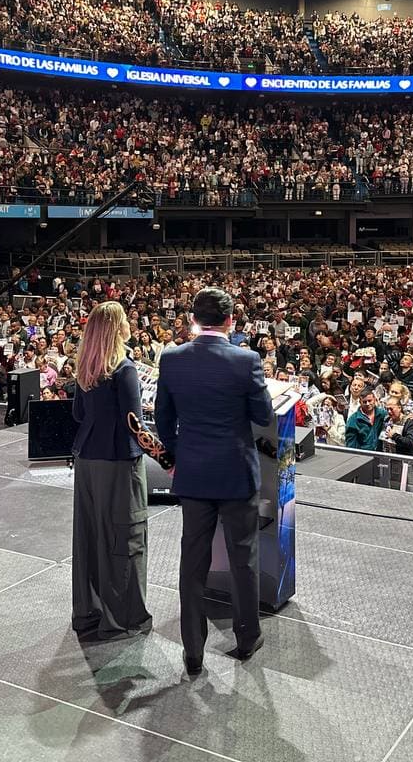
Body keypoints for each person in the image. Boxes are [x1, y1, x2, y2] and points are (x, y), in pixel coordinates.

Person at [155, 287, 274, 677]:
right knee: (244, 558)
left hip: (193, 472)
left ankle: (192, 650)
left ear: (193, 319)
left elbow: (163, 419)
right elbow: (262, 415)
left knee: (193, 561)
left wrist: (176, 456)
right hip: (236, 473)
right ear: (231, 321)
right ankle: (246, 636)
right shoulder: (247, 360)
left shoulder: (171, 358)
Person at [69, 301, 152, 641]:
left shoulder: (85, 367)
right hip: (119, 463)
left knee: (89, 537)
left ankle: (89, 612)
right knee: (124, 536)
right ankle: (124, 617)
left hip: (87, 460)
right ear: (119, 328)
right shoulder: (125, 369)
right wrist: (162, 451)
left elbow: (77, 414)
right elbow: (134, 423)